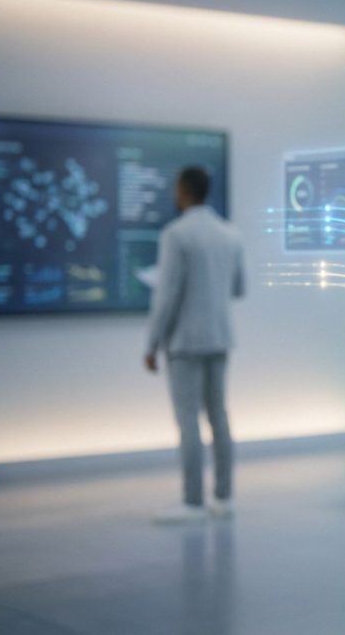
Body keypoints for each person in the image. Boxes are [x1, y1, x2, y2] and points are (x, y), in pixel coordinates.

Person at [144, 165, 244, 524]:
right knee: (219, 417)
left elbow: (167, 296)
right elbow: (238, 288)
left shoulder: (176, 235)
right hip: (220, 338)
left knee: (188, 421)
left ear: (183, 190)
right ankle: (225, 496)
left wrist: (151, 343)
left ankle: (192, 501)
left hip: (185, 342)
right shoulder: (230, 234)